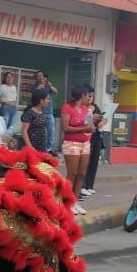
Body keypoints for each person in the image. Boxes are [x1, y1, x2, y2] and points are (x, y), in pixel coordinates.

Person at [60, 86, 94, 216]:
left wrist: (92, 126)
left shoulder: (86, 109)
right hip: (71, 143)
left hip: (85, 143)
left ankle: (75, 201)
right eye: (87, 96)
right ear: (81, 96)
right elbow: (66, 128)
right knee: (72, 173)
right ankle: (66, 202)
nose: (89, 98)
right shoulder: (67, 108)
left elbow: (88, 125)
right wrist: (84, 128)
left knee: (81, 174)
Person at [81, 86, 106, 198]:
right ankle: (82, 186)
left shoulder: (95, 107)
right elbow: (82, 122)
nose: (90, 98)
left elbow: (103, 118)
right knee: (85, 162)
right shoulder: (81, 108)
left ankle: (89, 186)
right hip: (86, 137)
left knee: (94, 161)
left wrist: (102, 122)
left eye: (92, 96)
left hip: (96, 137)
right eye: (89, 96)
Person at [34, 71, 58, 152]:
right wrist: (41, 85)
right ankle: (41, 148)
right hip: (39, 113)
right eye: (38, 76)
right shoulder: (35, 86)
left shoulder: (48, 85)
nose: (40, 77)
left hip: (49, 113)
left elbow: (55, 91)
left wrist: (50, 86)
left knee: (51, 131)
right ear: (36, 78)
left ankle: (49, 148)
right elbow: (35, 94)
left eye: (42, 76)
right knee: (41, 132)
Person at [21, 86, 50, 153]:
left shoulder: (42, 113)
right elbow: (24, 131)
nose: (48, 101)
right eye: (47, 99)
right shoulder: (30, 113)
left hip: (42, 146)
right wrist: (30, 147)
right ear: (41, 101)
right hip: (31, 146)